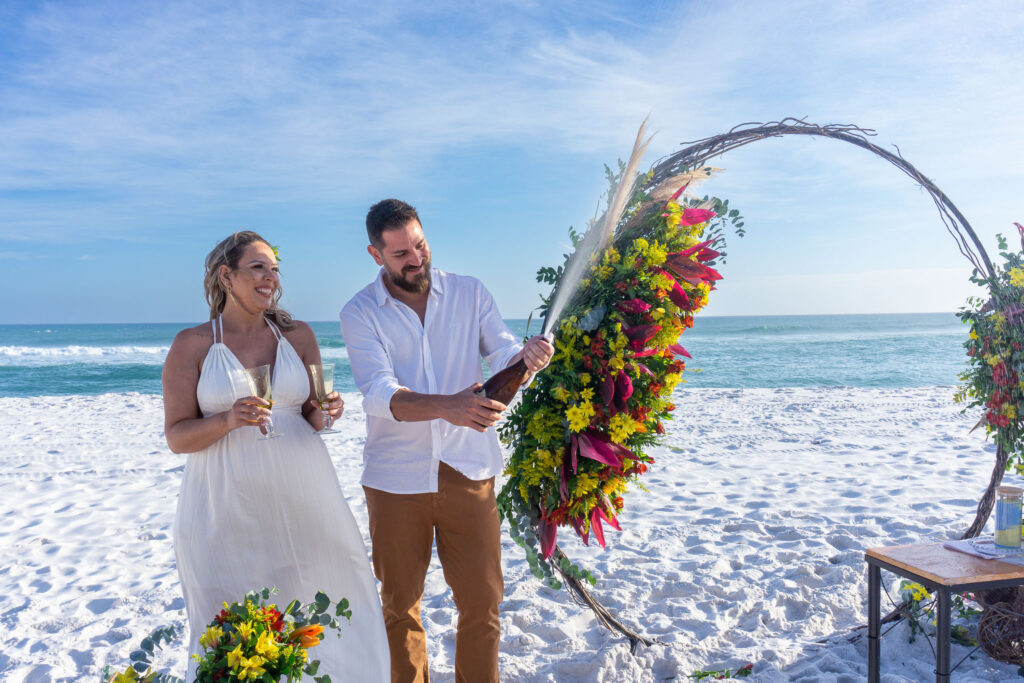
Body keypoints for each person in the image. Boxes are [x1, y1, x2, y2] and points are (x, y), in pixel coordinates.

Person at [340, 199, 554, 683]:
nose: (415, 259)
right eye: (400, 254)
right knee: (399, 607)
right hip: (394, 479)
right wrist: (447, 406)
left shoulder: (470, 292)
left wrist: (527, 357)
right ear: (376, 255)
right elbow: (378, 392)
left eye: (419, 245)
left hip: (470, 470)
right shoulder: (358, 312)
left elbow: (501, 351)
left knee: (482, 603)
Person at [163, 231, 389, 681]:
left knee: (323, 607)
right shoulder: (191, 344)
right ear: (227, 276)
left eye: (275, 269)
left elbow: (309, 415)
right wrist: (227, 420)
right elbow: (177, 436)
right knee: (231, 629)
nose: (271, 278)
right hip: (223, 506)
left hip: (304, 497)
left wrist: (328, 412)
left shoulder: (298, 336)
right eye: (258, 268)